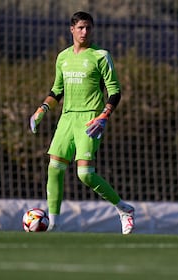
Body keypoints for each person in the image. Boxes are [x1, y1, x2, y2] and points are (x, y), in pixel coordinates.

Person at [30, 11, 135, 234]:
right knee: (54, 168)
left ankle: (123, 209)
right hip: (67, 118)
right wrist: (42, 109)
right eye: (80, 28)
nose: (84, 32)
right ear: (72, 29)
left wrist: (104, 115)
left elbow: (114, 91)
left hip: (90, 119)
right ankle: (55, 225)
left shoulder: (100, 55)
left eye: (88, 28)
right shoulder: (63, 57)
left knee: (85, 174)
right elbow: (57, 90)